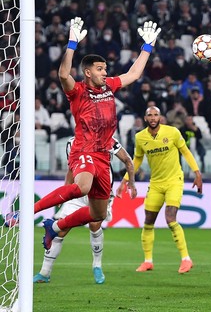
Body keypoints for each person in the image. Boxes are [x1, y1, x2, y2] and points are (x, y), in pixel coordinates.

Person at [35, 17, 159, 249]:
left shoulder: (109, 85)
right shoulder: (78, 91)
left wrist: (147, 48)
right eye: (100, 69)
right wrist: (72, 44)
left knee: (97, 215)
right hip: (84, 149)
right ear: (88, 72)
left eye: (105, 69)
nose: (105, 73)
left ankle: (54, 226)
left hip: (103, 154)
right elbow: (63, 75)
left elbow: (132, 75)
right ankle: (27, 213)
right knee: (81, 187)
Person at [33, 137, 132, 284]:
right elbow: (71, 170)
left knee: (95, 224)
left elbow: (127, 159)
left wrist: (131, 183)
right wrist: (65, 193)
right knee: (61, 229)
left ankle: (97, 266)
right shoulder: (71, 143)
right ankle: (44, 272)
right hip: (79, 191)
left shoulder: (109, 140)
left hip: (101, 192)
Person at [117, 106, 203, 274]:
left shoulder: (172, 132)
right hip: (155, 183)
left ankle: (186, 258)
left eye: (156, 115)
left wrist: (197, 173)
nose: (153, 118)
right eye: (150, 115)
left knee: (170, 218)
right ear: (145, 118)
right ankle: (148, 261)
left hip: (174, 181)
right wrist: (125, 180)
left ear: (160, 117)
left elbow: (185, 151)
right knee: (148, 222)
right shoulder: (140, 137)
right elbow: (137, 160)